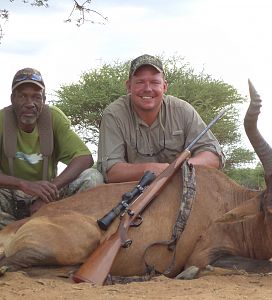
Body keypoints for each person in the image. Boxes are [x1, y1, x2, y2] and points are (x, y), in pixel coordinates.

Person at [0, 67, 103, 228]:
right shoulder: (2, 120)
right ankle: (17, 231)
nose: (30, 104)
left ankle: (75, 230)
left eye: (36, 97)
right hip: (11, 195)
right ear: (12, 98)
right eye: (22, 96)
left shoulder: (53, 117)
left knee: (92, 177)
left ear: (44, 99)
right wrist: (22, 184)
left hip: (48, 194)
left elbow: (84, 157)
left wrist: (50, 190)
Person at [98, 54, 225, 183]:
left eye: (154, 82)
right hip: (130, 190)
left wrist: (177, 169)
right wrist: (150, 169)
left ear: (164, 86)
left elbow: (214, 156)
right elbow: (111, 171)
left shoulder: (183, 110)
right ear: (129, 86)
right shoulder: (113, 114)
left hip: (178, 185)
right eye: (140, 82)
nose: (147, 89)